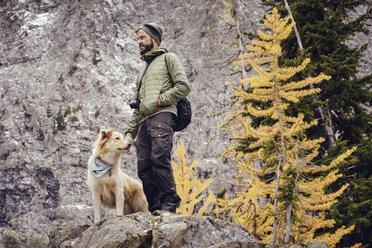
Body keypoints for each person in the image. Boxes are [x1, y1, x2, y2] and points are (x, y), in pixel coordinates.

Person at [124, 22, 191, 215]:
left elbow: (183, 86)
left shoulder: (169, 58)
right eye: (137, 39)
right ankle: (155, 209)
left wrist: (159, 101)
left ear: (153, 38)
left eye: (142, 38)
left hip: (162, 116)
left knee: (160, 159)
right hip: (144, 122)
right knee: (144, 167)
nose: (139, 42)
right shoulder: (142, 73)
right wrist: (130, 135)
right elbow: (138, 108)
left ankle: (169, 206)